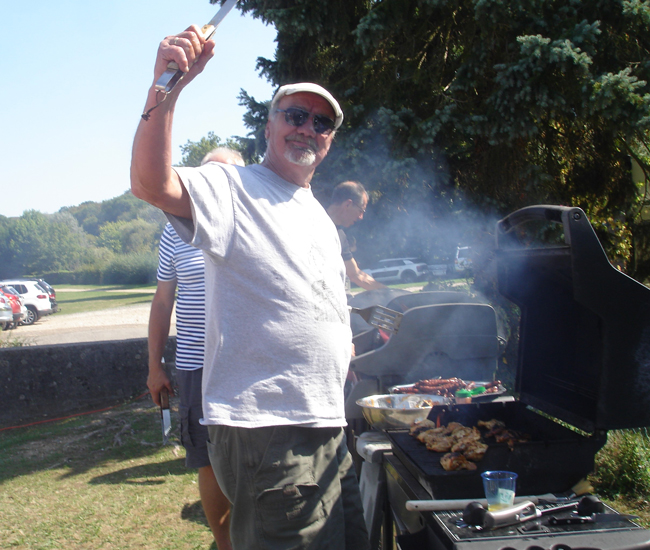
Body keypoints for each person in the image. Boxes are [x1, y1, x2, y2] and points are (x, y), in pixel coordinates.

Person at [131, 25, 369, 550]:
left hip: (328, 425)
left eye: (322, 123)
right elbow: (152, 183)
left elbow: (318, 300)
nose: (308, 128)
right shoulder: (234, 187)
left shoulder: (319, 216)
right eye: (295, 116)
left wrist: (343, 345)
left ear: (330, 140)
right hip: (269, 431)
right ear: (269, 126)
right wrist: (165, 88)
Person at [147, 147, 244, 550]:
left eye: (225, 175)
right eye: (206, 175)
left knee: (254, 457)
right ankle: (225, 544)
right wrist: (155, 365)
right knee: (207, 461)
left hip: (246, 363)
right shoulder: (175, 231)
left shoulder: (255, 224)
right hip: (194, 367)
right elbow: (162, 300)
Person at [326, 181, 387, 292]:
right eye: (361, 210)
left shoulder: (340, 236)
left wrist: (391, 294)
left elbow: (355, 274)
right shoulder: (311, 222)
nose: (361, 217)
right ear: (347, 204)